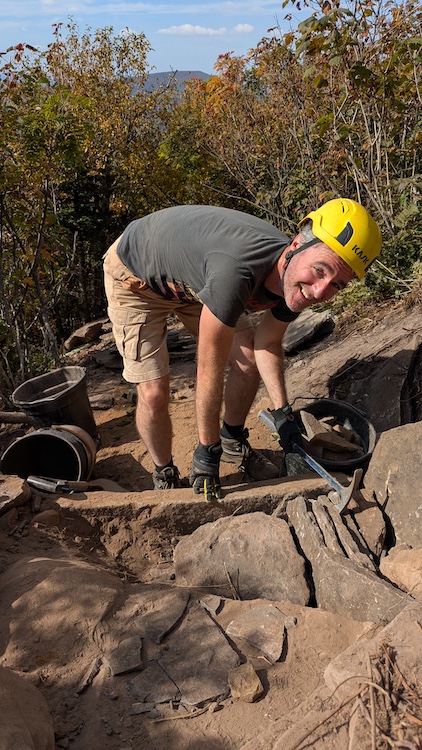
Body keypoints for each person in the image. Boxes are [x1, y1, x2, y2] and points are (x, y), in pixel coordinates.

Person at [103, 198, 381, 500]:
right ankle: (165, 471)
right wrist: (206, 450)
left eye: (337, 285)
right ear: (297, 244)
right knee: (154, 392)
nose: (319, 291)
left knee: (246, 358)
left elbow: (268, 342)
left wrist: (282, 413)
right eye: (319, 270)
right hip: (136, 275)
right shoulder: (236, 272)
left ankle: (232, 440)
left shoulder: (296, 280)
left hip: (194, 280)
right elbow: (209, 368)